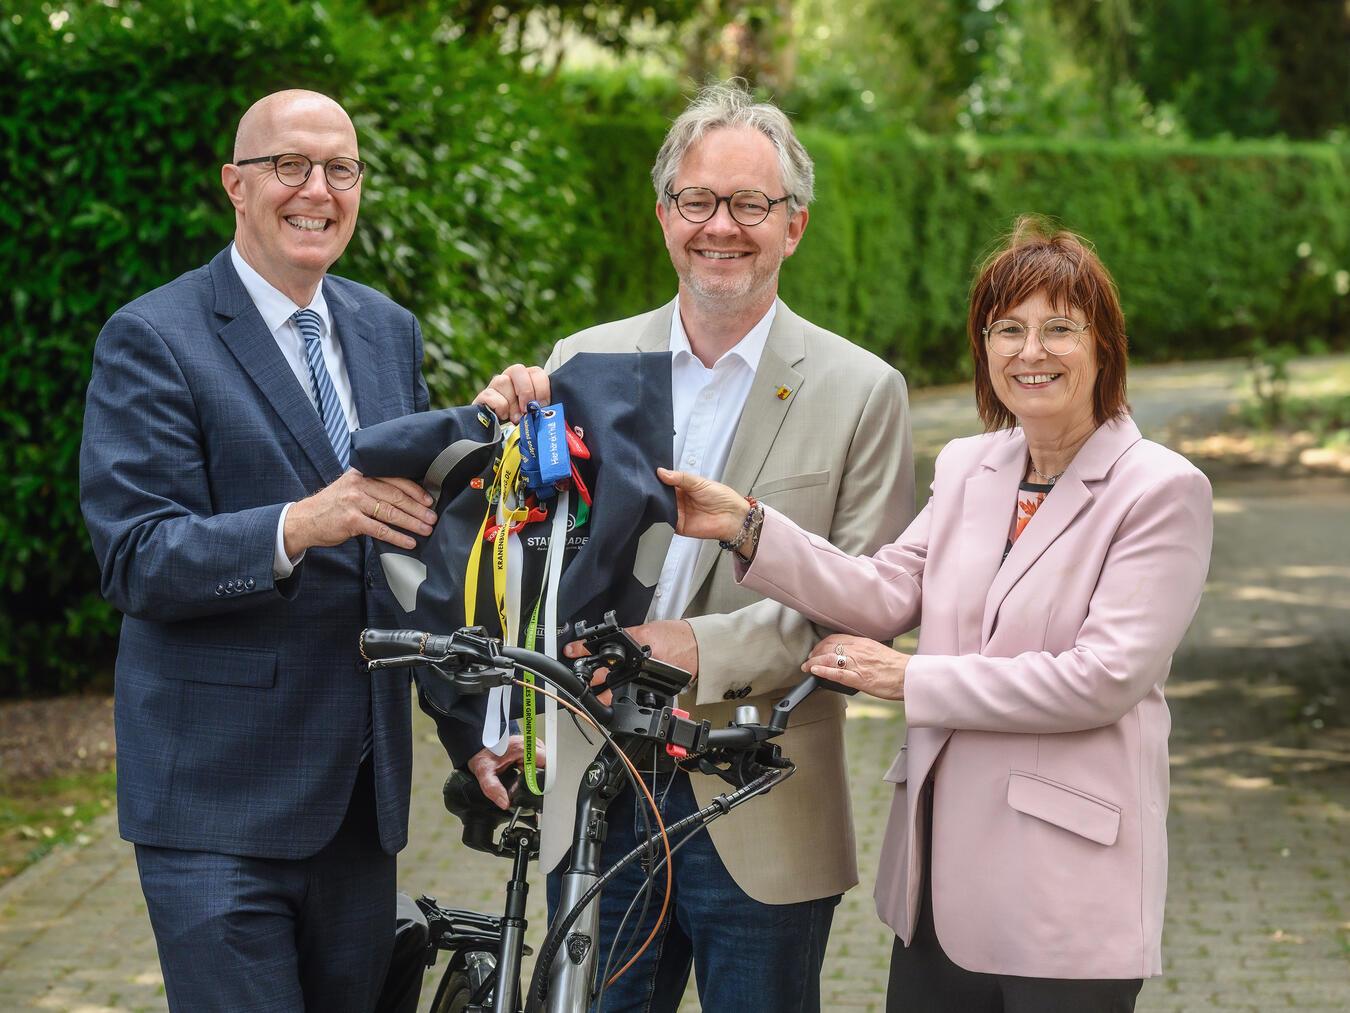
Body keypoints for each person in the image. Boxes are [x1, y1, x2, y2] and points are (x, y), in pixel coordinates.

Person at [659, 217, 1214, 1012]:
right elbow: (884, 590)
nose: (1032, 351)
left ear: (1104, 347)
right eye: (1008, 329)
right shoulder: (968, 466)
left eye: (1060, 328)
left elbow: (1103, 677)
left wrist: (912, 678)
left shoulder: (1160, 490)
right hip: (938, 887)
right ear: (984, 347)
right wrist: (746, 523)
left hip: (1065, 888)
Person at [478, 80, 914, 1012]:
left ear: (792, 224)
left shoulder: (864, 389)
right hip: (599, 787)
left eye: (751, 204)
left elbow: (867, 599)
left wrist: (695, 649)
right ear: (664, 214)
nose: (723, 226)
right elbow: (534, 565)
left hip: (763, 795)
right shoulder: (579, 363)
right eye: (698, 201)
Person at [79, 89, 495, 1012]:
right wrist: (299, 524)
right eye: (288, 166)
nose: (318, 189)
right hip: (215, 808)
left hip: (358, 808)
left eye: (340, 169)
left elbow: (410, 553)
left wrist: (473, 732)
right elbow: (137, 555)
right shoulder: (153, 336)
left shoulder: (387, 329)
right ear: (236, 184)